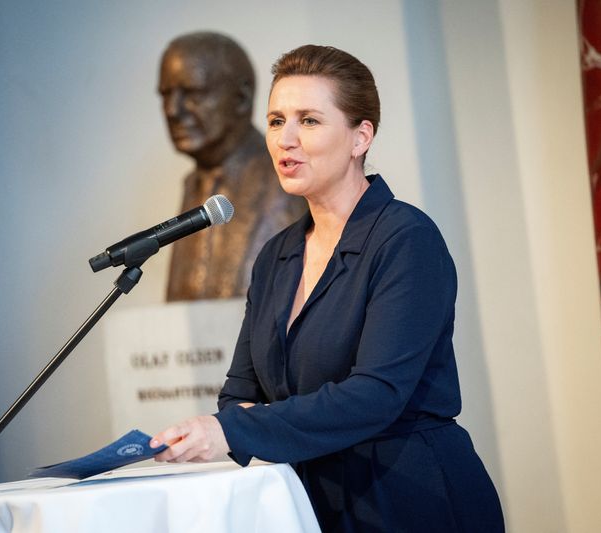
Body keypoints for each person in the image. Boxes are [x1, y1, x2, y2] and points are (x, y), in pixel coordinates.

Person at [151, 44, 505, 532]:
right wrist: (236, 420)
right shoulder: (276, 256)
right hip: (309, 499)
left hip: (406, 496)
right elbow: (238, 393)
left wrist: (236, 429)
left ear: (361, 137)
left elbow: (376, 394)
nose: (285, 140)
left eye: (309, 121)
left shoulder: (405, 238)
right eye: (276, 121)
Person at [159, 32, 307, 301]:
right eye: (166, 95)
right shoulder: (193, 185)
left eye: (192, 93)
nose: (172, 110)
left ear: (241, 97)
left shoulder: (285, 179)